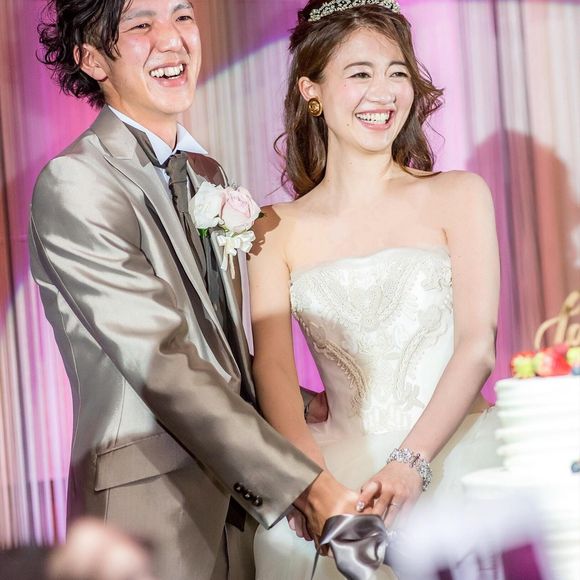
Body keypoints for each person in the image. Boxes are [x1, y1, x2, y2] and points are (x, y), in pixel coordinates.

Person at [31, 1, 368, 579]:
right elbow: (161, 361)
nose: (173, 39)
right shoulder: (78, 181)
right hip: (148, 510)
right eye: (141, 25)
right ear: (91, 59)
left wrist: (302, 403)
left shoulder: (207, 174)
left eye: (182, 17)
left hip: (238, 503)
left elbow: (217, 344)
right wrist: (304, 487)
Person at [249, 0, 502, 577]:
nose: (383, 93)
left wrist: (410, 463)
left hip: (456, 451)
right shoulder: (272, 228)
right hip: (337, 474)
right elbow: (274, 371)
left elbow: (477, 345)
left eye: (397, 73)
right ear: (312, 91)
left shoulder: (458, 195)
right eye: (360, 73)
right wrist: (312, 484)